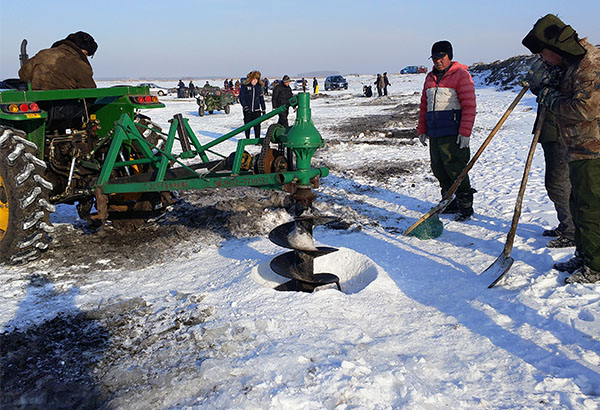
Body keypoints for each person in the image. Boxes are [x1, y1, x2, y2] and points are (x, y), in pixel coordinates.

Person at [522, 14, 600, 283]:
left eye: (544, 53)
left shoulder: (590, 65)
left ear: (557, 49)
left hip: (593, 149)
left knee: (591, 208)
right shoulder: (572, 65)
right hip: (577, 147)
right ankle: (585, 253)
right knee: (578, 205)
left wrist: (550, 97)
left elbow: (583, 109)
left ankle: (596, 265)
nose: (543, 59)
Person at [417, 40, 477, 221]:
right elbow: (424, 105)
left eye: (441, 57)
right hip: (435, 133)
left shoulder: (460, 75)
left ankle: (465, 206)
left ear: (449, 56)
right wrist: (422, 129)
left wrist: (465, 133)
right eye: (434, 57)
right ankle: (449, 202)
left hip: (453, 133)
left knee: (456, 168)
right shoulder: (429, 78)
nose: (437, 61)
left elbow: (469, 105)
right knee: (439, 168)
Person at [524, 59, 575, 248]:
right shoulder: (547, 62)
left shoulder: (568, 65)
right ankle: (567, 226)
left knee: (558, 182)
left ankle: (571, 231)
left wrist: (544, 86)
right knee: (557, 182)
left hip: (561, 130)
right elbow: (535, 83)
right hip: (549, 128)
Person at [19, 31, 97, 90]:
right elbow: (89, 92)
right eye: (86, 54)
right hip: (67, 108)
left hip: (37, 104)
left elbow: (23, 75)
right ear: (81, 50)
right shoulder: (81, 66)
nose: (86, 57)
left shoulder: (43, 54)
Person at [239, 70, 266, 138]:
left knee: (257, 125)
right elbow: (242, 97)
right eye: (254, 79)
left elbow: (261, 98)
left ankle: (257, 139)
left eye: (257, 79)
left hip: (256, 109)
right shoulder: (245, 86)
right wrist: (245, 107)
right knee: (247, 125)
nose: (255, 81)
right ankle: (247, 138)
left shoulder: (258, 87)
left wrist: (263, 108)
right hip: (248, 109)